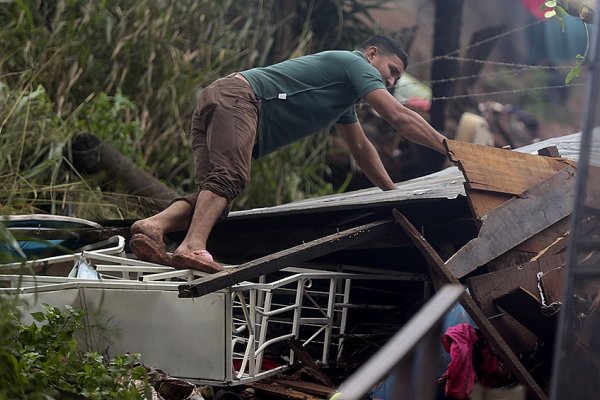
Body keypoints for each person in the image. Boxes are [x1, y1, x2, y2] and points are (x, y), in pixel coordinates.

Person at [129, 34, 447, 272]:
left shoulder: (342, 99)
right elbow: (399, 116)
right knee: (230, 178)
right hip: (242, 99)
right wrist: (448, 147)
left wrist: (391, 193)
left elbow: (363, 149)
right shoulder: (354, 63)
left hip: (223, 98)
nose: (391, 81)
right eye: (391, 70)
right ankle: (193, 246)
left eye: (396, 78)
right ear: (372, 54)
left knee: (215, 196)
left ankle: (153, 226)